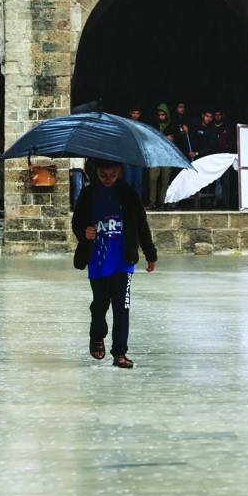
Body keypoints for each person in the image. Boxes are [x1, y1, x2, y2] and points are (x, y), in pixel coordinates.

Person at [72, 158, 157, 369]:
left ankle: (119, 352)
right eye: (103, 175)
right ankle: (97, 335)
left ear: (119, 171)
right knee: (100, 304)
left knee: (122, 307)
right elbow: (77, 222)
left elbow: (141, 225)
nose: (108, 179)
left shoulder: (128, 194)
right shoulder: (88, 194)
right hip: (98, 258)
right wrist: (84, 232)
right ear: (96, 172)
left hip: (123, 259)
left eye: (112, 175)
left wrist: (150, 253)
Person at [147, 103, 173, 210]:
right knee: (152, 178)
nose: (161, 116)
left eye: (163, 114)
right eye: (160, 114)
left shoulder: (171, 125)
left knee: (165, 180)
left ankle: (163, 202)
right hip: (155, 156)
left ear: (167, 115)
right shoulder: (153, 124)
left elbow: (175, 138)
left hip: (167, 156)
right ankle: (152, 202)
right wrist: (163, 138)